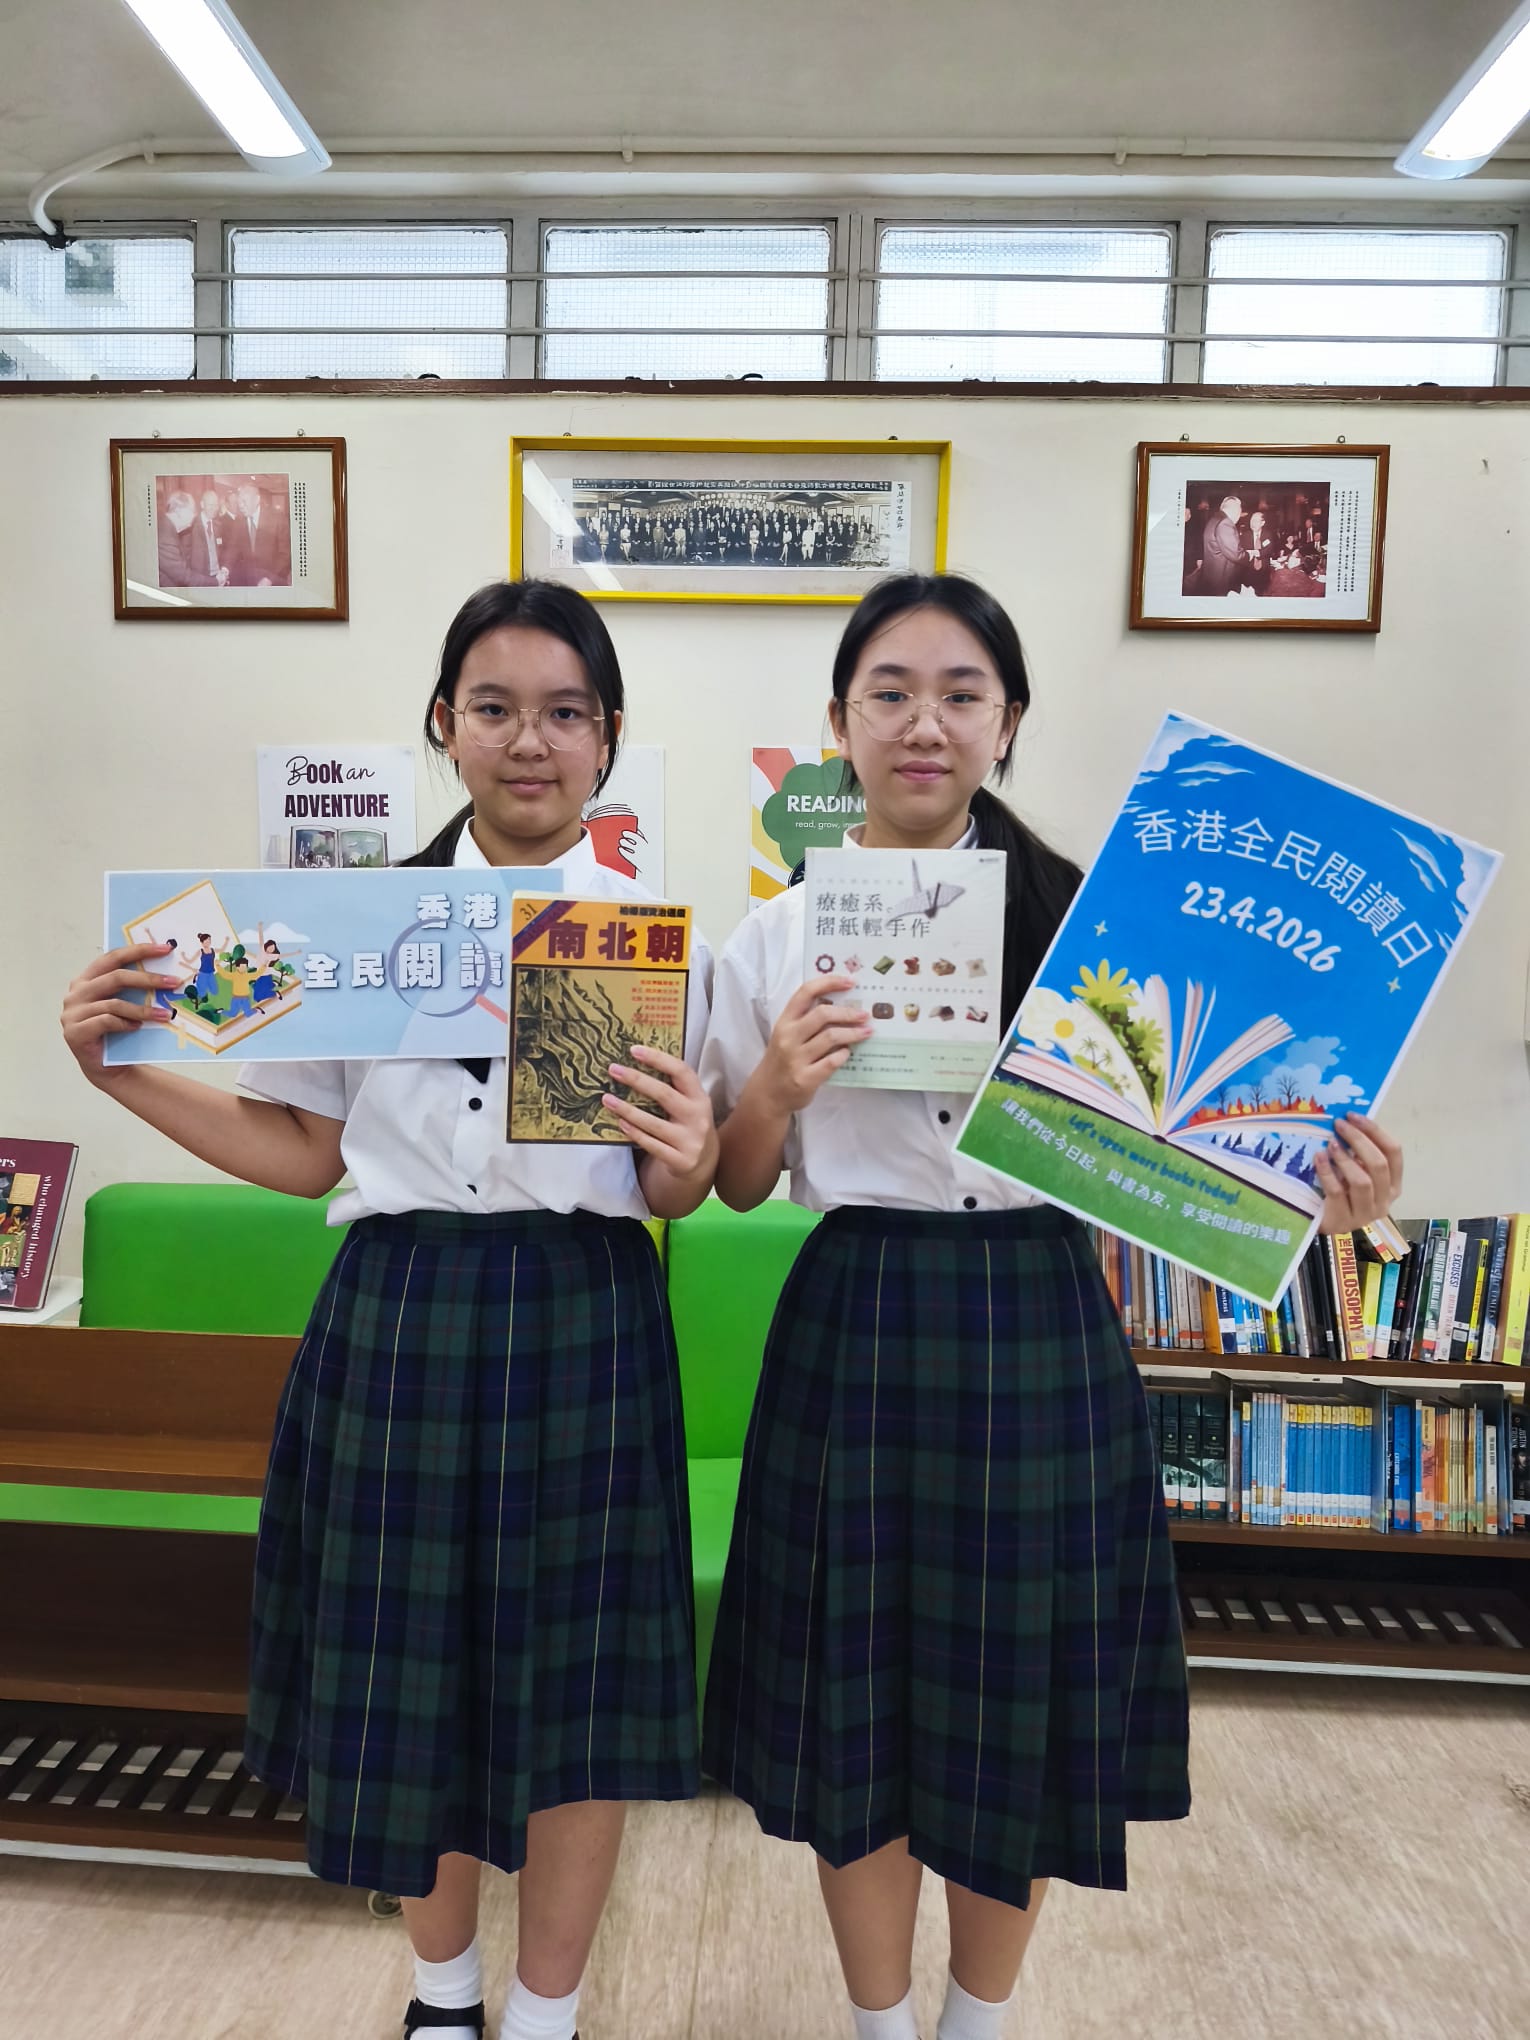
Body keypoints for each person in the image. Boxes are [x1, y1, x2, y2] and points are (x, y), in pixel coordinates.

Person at [697, 572, 1405, 2040]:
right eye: (890, 693)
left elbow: (1197, 1150)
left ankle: (979, 2021)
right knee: (859, 1699)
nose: (925, 723)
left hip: (1035, 1307)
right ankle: (880, 2024)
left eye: (961, 694)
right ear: (837, 723)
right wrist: (771, 1086)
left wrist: (1319, 1190)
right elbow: (740, 1185)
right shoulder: (773, 939)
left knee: (1007, 1696)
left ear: (1007, 722)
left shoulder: (1092, 923)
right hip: (858, 1307)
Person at [60, 579, 720, 2040]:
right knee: (403, 1669)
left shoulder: (655, 942)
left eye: (564, 713)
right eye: (494, 708)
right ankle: (443, 1996)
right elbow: (304, 1153)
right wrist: (124, 1074)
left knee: (580, 1690)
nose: (529, 740)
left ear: (607, 739)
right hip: (401, 1304)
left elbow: (678, 1188)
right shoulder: (351, 929)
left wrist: (685, 1160)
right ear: (444, 724)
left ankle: (545, 2013)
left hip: (585, 1313)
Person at [227, 480, 292, 588]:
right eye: (239, 502)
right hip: (249, 581)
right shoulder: (239, 520)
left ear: (257, 499)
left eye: (244, 501)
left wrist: (270, 578)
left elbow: (285, 554)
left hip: (274, 580)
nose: (241, 506)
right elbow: (233, 547)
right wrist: (225, 569)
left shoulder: (277, 518)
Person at [157, 489, 226, 588]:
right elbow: (183, 575)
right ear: (179, 510)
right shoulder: (166, 538)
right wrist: (215, 582)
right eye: (192, 511)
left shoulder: (166, 527)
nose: (194, 516)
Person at [1199, 495, 1245, 596]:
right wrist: (1249, 555)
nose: (1239, 516)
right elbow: (1236, 555)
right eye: (1239, 511)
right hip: (1223, 579)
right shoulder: (1225, 523)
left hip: (1212, 576)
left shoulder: (1214, 519)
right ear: (1236, 509)